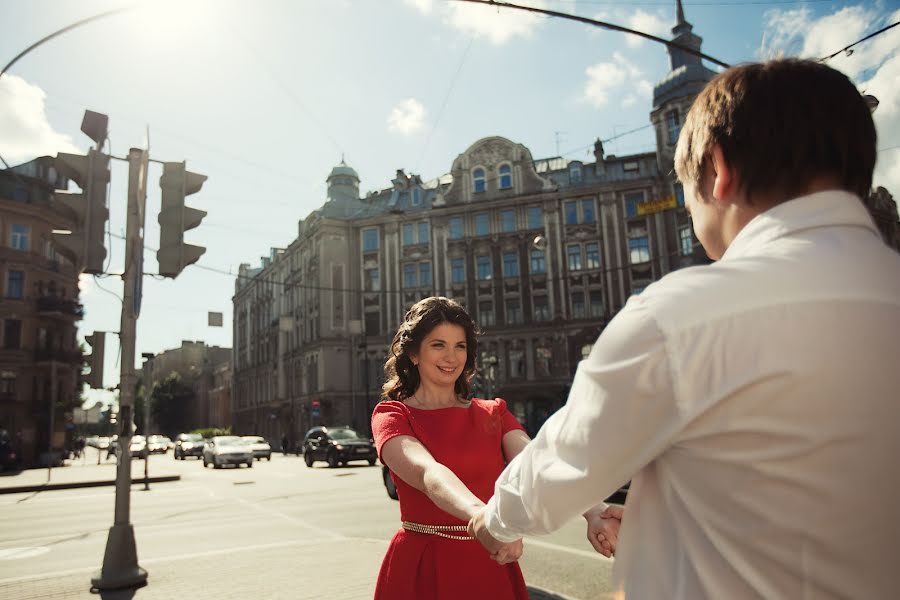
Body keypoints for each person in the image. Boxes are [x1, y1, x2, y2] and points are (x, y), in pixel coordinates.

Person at [469, 58, 900, 598]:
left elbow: (564, 461)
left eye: (685, 190)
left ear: (718, 171)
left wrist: (493, 523)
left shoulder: (681, 316)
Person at [371, 296, 531, 599]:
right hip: (422, 566)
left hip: (489, 565)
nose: (451, 357)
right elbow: (429, 473)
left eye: (460, 346)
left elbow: (538, 463)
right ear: (414, 354)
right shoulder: (392, 415)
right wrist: (484, 518)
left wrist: (594, 511)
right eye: (438, 345)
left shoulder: (492, 412)